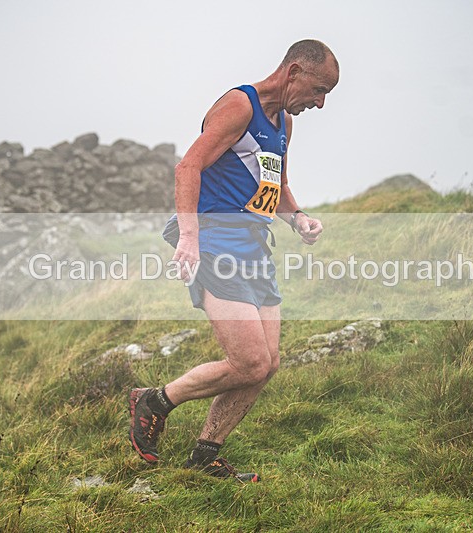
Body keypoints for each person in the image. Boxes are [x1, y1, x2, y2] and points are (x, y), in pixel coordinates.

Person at [129, 39, 340, 482]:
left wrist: (298, 218)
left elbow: (275, 186)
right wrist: (189, 237)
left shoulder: (283, 122)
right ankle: (154, 401)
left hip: (254, 246)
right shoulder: (239, 105)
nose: (320, 103)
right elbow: (188, 167)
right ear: (294, 72)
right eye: (319, 90)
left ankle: (205, 457)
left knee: (267, 364)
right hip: (214, 241)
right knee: (249, 362)